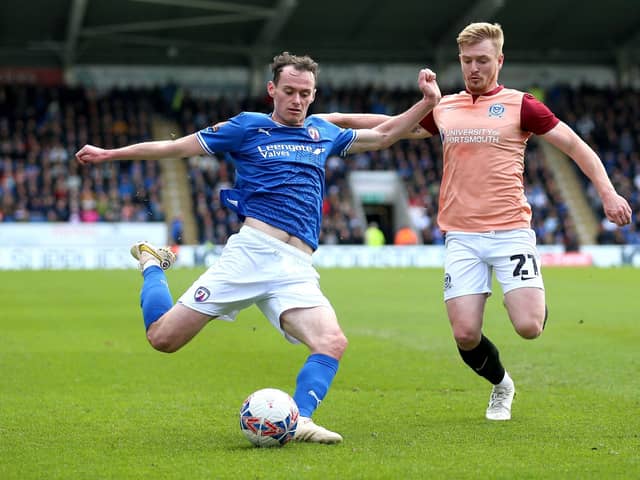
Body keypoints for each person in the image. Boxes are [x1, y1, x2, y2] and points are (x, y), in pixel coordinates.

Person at [75, 52, 441, 443]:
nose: (296, 100)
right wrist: (111, 154)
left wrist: (428, 104)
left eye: (305, 93)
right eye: (289, 91)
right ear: (272, 90)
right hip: (251, 254)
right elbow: (178, 147)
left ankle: (299, 420)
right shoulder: (247, 127)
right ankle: (151, 263)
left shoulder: (321, 131)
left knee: (332, 342)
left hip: (297, 266)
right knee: (163, 339)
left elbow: (386, 135)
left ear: (314, 95)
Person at [321, 23, 633, 421]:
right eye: (467, 61)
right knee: (465, 334)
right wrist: (336, 118)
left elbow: (574, 144)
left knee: (529, 327)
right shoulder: (446, 107)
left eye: (482, 60)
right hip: (462, 236)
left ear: (499, 61)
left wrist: (608, 193)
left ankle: (532, 296)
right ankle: (502, 385)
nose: (473, 68)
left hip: (511, 233)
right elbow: (390, 127)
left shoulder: (523, 105)